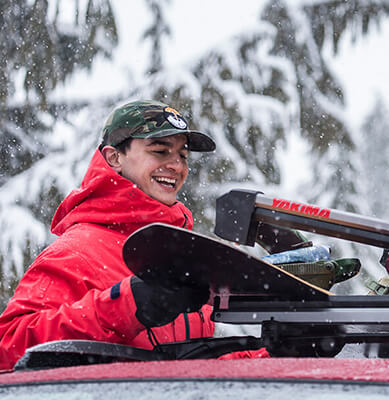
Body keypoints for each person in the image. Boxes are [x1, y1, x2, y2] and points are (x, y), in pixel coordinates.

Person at [0, 100, 268, 369]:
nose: (177, 166)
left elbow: (185, 368)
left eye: (183, 156)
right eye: (160, 151)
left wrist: (276, 355)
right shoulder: (76, 253)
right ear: (114, 158)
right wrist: (126, 306)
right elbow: (8, 345)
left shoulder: (181, 254)